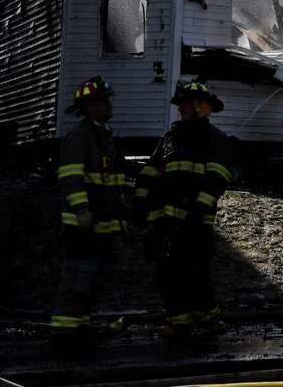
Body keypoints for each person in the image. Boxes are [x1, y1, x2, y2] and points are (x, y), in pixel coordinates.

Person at [132, 79, 234, 340]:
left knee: (196, 272)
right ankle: (179, 322)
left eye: (186, 103)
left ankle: (210, 319)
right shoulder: (169, 138)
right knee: (167, 274)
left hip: (195, 222)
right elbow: (149, 171)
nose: (180, 108)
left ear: (202, 107)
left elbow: (217, 178)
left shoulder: (215, 140)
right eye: (180, 104)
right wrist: (139, 202)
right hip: (163, 222)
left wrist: (198, 208)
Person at [51, 76, 128, 345]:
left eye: (107, 100)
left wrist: (121, 217)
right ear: (89, 107)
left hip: (102, 226)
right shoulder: (80, 137)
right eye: (102, 101)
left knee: (95, 278)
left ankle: (80, 325)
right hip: (81, 226)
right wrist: (82, 209)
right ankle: (64, 331)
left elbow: (112, 184)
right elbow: (71, 177)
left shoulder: (104, 136)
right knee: (77, 278)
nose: (108, 105)